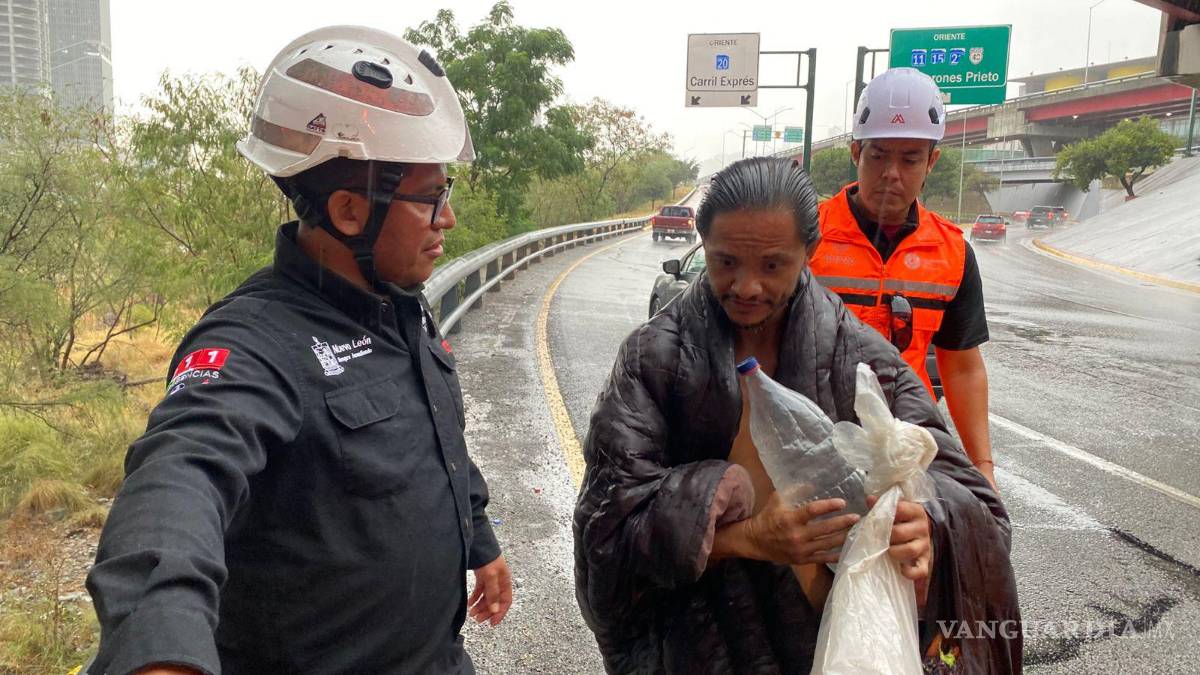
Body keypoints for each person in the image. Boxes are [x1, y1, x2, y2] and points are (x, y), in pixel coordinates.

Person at [85, 26, 510, 675]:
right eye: (432, 197)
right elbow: (180, 477)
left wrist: (478, 536)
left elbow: (436, 428)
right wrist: (160, 646)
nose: (447, 219)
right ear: (347, 210)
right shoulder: (254, 341)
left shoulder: (398, 301)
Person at [573, 157, 1021, 674]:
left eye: (771, 265)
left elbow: (977, 507)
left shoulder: (857, 356)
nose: (746, 287)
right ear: (703, 245)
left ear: (809, 252)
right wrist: (747, 537)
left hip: (831, 646)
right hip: (696, 651)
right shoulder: (654, 359)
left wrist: (931, 525)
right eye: (725, 262)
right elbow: (605, 530)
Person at [810, 68, 998, 491]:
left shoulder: (953, 254)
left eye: (910, 158)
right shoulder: (808, 238)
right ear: (855, 151)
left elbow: (963, 367)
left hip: (905, 451)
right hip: (816, 446)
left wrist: (982, 467)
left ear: (931, 161)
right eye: (878, 155)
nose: (892, 172)